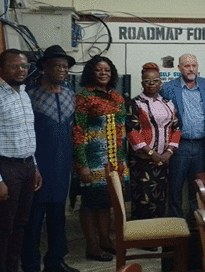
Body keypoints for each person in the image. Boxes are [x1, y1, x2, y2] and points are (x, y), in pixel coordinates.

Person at [0, 49, 43, 272]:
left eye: (23, 66)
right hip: (5, 169)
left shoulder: (23, 94)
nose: (20, 70)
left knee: (20, 224)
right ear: (0, 69)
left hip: (26, 166)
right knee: (3, 228)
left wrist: (35, 168)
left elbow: (27, 134)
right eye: (14, 66)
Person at [21, 45, 78, 272]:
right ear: (44, 66)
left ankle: (56, 261)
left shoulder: (69, 94)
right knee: (33, 220)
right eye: (57, 65)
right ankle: (31, 264)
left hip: (62, 165)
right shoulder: (30, 95)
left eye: (65, 66)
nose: (62, 70)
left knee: (58, 217)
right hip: (38, 167)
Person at [73, 56, 127, 262]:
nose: (103, 73)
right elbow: (77, 131)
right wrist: (82, 165)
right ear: (91, 73)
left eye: (107, 70)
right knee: (89, 204)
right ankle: (92, 247)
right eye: (98, 70)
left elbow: (121, 131)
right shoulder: (84, 97)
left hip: (115, 162)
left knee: (106, 203)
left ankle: (105, 240)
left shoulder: (117, 98)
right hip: (92, 163)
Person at [160, 54, 205, 218]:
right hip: (179, 145)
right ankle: (176, 228)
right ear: (179, 68)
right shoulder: (168, 87)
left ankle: (196, 227)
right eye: (186, 66)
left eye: (194, 65)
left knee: (196, 189)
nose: (191, 69)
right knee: (175, 188)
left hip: (200, 145)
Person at [126, 63, 180, 220]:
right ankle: (144, 239)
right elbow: (131, 131)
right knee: (144, 199)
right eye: (147, 81)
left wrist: (168, 152)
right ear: (142, 83)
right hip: (142, 161)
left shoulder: (168, 103)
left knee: (160, 198)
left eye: (155, 81)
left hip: (164, 160)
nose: (151, 84)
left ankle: (158, 236)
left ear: (160, 83)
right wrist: (152, 153)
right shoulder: (134, 103)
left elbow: (177, 128)